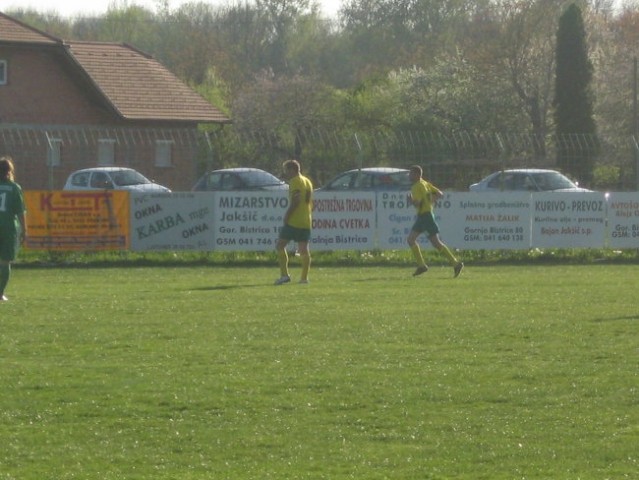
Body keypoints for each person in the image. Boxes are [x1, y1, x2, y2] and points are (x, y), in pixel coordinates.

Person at [407, 165, 463, 278]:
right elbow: (440, 194)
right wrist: (431, 201)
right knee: (411, 239)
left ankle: (455, 263)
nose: (409, 175)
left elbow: (418, 204)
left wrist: (411, 201)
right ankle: (421, 265)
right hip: (424, 216)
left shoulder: (416, 186)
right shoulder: (425, 183)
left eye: (411, 173)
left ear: (417, 174)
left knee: (436, 243)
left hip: (425, 217)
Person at [275, 159, 313, 285]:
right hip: (306, 220)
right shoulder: (307, 181)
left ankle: (284, 275)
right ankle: (304, 278)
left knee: (280, 245)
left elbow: (296, 200)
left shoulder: (295, 181)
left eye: (286, 170)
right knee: (303, 250)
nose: (286, 173)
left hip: (294, 221)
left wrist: (287, 215)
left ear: (292, 170)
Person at [0, 156, 27, 302]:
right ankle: (0, 293)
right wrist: (25, 231)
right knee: (5, 262)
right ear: (10, 171)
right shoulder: (14, 188)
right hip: (8, 228)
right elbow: (20, 211)